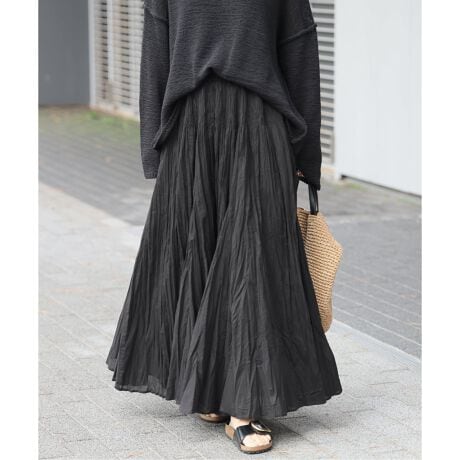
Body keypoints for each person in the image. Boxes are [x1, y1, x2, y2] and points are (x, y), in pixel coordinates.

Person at [106, 0, 342, 454]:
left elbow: (299, 50)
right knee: (198, 252)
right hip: (190, 129)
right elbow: (156, 49)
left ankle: (243, 408)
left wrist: (305, 156)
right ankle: (210, 388)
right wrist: (154, 147)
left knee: (250, 260)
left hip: (259, 125)